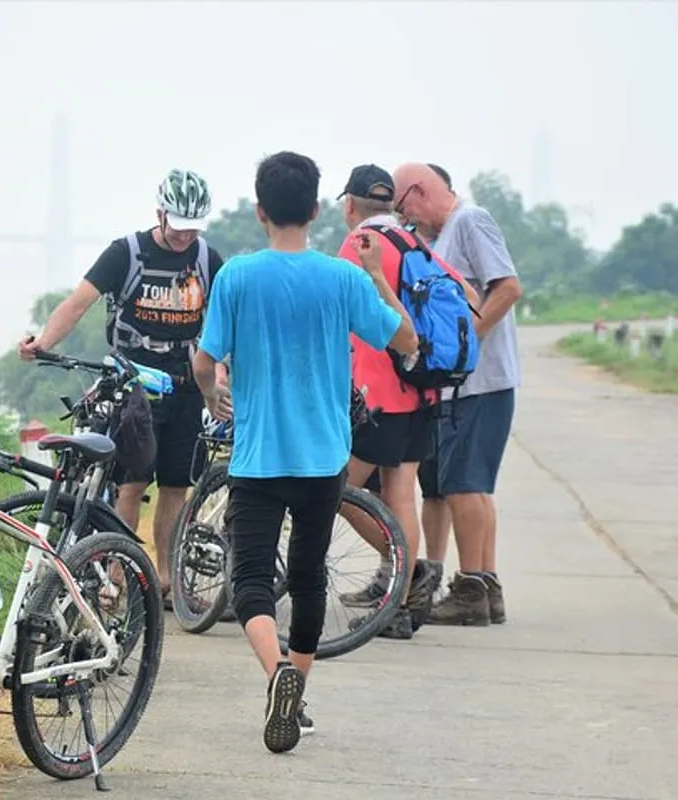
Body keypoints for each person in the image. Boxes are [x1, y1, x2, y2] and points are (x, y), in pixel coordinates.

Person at [192, 151, 417, 754]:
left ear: (261, 211)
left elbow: (205, 359)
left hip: (258, 457)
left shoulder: (236, 276)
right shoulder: (341, 277)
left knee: (250, 580)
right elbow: (405, 339)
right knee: (311, 575)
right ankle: (300, 686)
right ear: (316, 210)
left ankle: (278, 676)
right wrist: (375, 275)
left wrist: (212, 393)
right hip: (324, 458)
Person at [19, 169, 229, 605]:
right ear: (159, 214)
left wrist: (220, 375)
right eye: (178, 227)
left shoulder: (208, 260)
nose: (185, 237)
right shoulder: (126, 253)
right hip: (132, 386)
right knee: (131, 484)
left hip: (185, 384)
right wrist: (42, 343)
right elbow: (78, 303)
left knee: (176, 486)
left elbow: (225, 323)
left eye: (193, 229)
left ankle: (166, 581)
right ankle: (118, 577)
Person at [333, 163, 481, 639]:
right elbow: (470, 295)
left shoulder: (359, 247)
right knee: (401, 493)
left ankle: (407, 574)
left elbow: (338, 320)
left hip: (376, 395)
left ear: (350, 205)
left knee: (333, 490)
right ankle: (399, 601)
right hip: (423, 390)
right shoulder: (415, 242)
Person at [391, 162, 524, 627]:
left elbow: (507, 288)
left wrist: (470, 341)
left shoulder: (471, 220)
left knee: (466, 486)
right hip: (471, 384)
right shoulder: (441, 235)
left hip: (480, 381)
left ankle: (471, 589)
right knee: (471, 486)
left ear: (419, 192)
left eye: (404, 207)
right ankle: (484, 585)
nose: (407, 219)